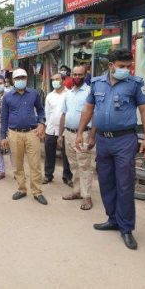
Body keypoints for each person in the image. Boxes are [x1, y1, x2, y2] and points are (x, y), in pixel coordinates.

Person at [76, 48, 145, 250]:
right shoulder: (97, 84)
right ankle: (112, 219)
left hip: (125, 140)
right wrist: (83, 134)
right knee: (106, 181)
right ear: (111, 66)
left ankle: (126, 228)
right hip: (103, 140)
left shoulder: (135, 84)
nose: (126, 70)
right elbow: (90, 110)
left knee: (125, 184)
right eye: (122, 66)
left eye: (129, 66)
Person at [0, 68, 47, 206]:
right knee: (18, 163)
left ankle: (37, 191)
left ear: (26, 78)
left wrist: (42, 123)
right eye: (17, 78)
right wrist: (3, 136)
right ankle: (21, 189)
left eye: (23, 77)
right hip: (14, 133)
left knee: (35, 163)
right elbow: (4, 118)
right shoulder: (7, 97)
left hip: (32, 132)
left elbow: (40, 110)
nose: (20, 80)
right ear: (13, 80)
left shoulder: (34, 93)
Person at [57, 66, 94, 210]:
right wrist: (60, 135)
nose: (77, 77)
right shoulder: (69, 93)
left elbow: (94, 114)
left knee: (85, 165)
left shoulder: (89, 92)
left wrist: (92, 136)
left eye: (80, 74)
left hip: (84, 134)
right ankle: (77, 191)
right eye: (75, 74)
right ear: (71, 75)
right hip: (69, 134)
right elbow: (64, 115)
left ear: (85, 75)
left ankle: (87, 196)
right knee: (74, 165)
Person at [44, 73, 72, 186]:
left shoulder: (69, 94)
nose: (54, 81)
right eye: (53, 79)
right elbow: (47, 113)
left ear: (63, 80)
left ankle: (67, 177)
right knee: (49, 153)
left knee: (67, 155)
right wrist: (46, 127)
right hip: (51, 129)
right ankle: (48, 175)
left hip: (65, 129)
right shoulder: (49, 96)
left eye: (57, 79)